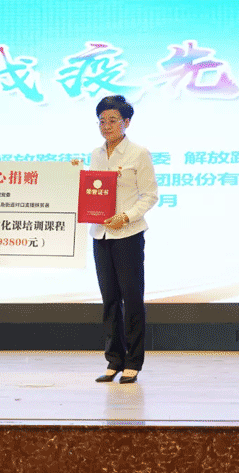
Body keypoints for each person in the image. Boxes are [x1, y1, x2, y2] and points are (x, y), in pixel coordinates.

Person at [76, 95, 158, 384]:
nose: (106, 126)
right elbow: (95, 191)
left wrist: (126, 216)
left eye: (112, 120)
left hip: (128, 235)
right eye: (101, 121)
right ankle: (114, 360)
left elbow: (150, 195)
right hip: (101, 234)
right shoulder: (96, 154)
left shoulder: (138, 153)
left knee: (132, 299)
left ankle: (133, 362)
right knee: (109, 299)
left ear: (126, 122)